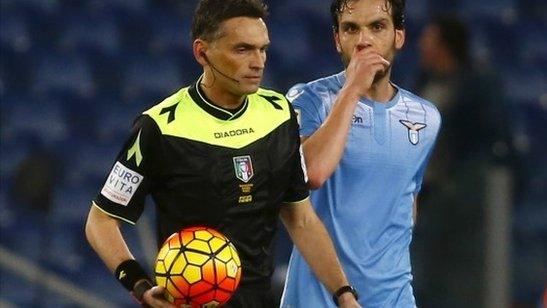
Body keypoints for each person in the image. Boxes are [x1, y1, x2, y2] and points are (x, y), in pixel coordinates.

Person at [84, 0, 361, 307]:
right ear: (202, 53)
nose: (258, 62)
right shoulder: (159, 127)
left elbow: (301, 218)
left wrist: (344, 294)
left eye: (263, 49)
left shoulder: (279, 113)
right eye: (242, 50)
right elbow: (101, 221)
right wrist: (139, 285)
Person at [280, 0, 441, 307]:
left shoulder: (426, 117)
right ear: (337, 39)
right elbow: (311, 172)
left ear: (399, 36)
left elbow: (408, 202)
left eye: (377, 26)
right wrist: (353, 89)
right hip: (318, 298)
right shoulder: (308, 99)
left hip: (394, 298)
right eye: (351, 29)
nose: (363, 40)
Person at [411, 16, 512, 307]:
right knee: (422, 269)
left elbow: (487, 137)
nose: (421, 46)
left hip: (462, 195)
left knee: (448, 273)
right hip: (426, 192)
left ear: (445, 46)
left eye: (428, 40)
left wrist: (461, 182)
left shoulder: (476, 85)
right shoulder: (424, 81)